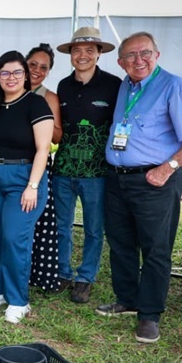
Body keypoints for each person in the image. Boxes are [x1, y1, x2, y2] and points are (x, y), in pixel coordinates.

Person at [97, 31, 182, 344]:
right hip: (118, 177)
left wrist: (168, 168)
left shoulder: (173, 86)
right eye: (131, 56)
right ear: (121, 62)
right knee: (120, 242)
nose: (139, 61)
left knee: (155, 247)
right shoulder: (126, 86)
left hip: (154, 180)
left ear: (157, 55)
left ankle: (149, 314)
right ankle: (128, 299)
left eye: (145, 53)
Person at [0, 51, 54, 324]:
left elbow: (44, 148)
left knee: (14, 238)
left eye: (17, 72)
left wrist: (33, 186)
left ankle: (19, 300)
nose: (11, 78)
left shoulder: (36, 104)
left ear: (26, 75)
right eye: (5, 73)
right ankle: (1, 289)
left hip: (24, 177)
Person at [53, 28, 122, 304]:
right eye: (77, 50)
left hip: (97, 172)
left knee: (94, 228)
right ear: (70, 55)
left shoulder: (114, 85)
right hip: (64, 168)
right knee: (61, 225)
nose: (83, 56)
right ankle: (62, 272)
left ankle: (85, 278)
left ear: (99, 53)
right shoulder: (63, 86)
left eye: (89, 50)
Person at [26, 43, 63, 143]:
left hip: (34, 156)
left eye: (43, 68)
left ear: (48, 72)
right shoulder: (10, 88)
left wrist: (40, 115)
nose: (37, 70)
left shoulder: (49, 97)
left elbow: (57, 138)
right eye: (33, 64)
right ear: (24, 64)